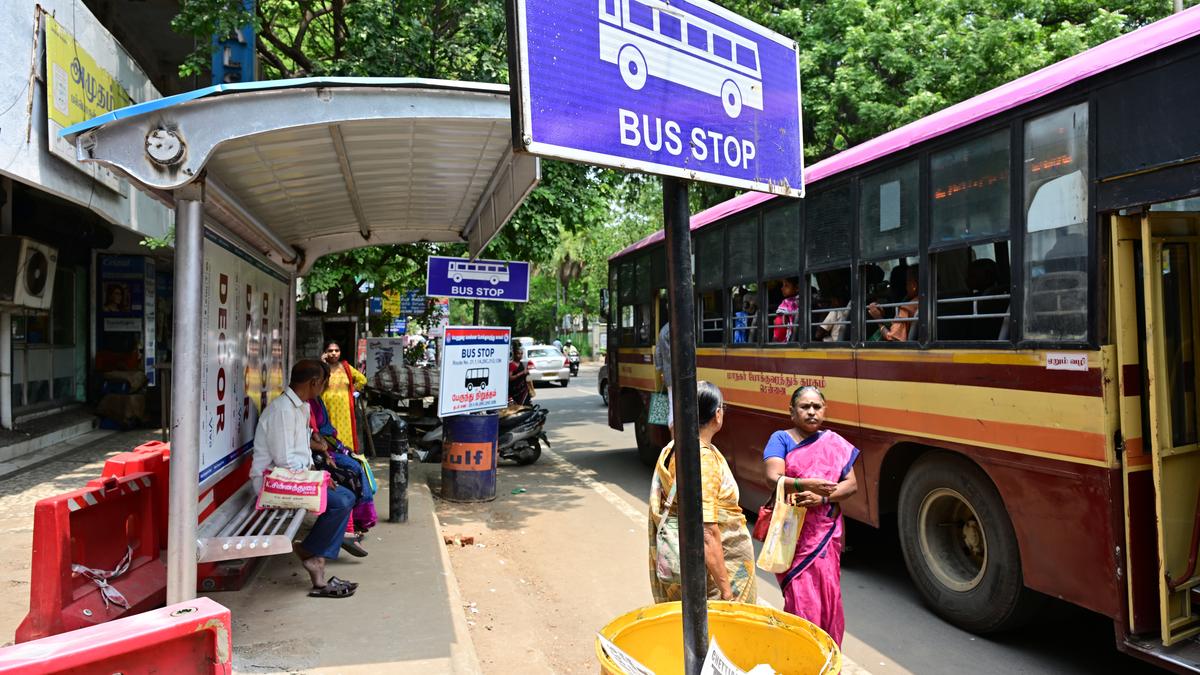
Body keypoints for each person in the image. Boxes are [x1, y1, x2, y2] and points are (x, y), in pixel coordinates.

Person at [251, 359, 358, 598]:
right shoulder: (282, 411)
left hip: (290, 478)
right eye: (322, 384)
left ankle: (313, 555)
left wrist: (318, 472)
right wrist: (315, 481)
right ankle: (313, 557)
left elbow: (300, 450)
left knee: (347, 495)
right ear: (314, 382)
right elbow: (285, 460)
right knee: (339, 502)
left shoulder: (301, 406)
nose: (323, 389)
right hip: (272, 483)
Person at [762, 386, 859, 644]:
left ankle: (826, 658)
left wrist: (823, 497)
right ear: (792, 411)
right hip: (793, 534)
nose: (812, 412)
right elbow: (774, 478)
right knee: (801, 600)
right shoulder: (781, 439)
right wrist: (806, 484)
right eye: (805, 407)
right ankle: (802, 657)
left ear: (825, 410)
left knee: (829, 597)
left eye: (817, 407)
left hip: (826, 533)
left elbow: (851, 484)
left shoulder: (835, 443)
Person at [649, 381, 757, 603]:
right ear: (717, 415)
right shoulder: (702, 458)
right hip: (713, 577)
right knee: (720, 634)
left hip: (695, 569)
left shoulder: (675, 447)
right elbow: (707, 532)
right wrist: (726, 591)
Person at [308, 389, 375, 558]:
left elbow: (316, 435)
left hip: (317, 456)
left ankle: (351, 527)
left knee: (354, 469)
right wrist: (323, 454)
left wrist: (328, 451)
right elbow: (307, 441)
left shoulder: (312, 401)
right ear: (314, 383)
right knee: (347, 477)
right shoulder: (293, 407)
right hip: (304, 467)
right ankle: (343, 533)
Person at [321, 341, 368, 453]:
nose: (333, 353)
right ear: (325, 353)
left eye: (336, 350)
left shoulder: (346, 367)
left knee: (345, 435)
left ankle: (347, 456)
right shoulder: (321, 368)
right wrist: (323, 363)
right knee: (329, 433)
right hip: (327, 407)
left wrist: (353, 390)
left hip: (344, 409)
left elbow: (362, 380)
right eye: (330, 351)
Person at [868, 265, 918, 341]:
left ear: (913, 285)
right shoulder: (925, 301)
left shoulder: (907, 308)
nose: (906, 287)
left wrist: (878, 320)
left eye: (907, 282)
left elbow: (893, 338)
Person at [653, 321, 672, 431]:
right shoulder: (683, 325)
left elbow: (658, 352)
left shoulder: (663, 330)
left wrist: (661, 371)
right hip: (686, 376)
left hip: (669, 375)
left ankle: (674, 442)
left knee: (672, 409)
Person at [772, 278, 801, 342]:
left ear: (797, 288)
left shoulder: (785, 303)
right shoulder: (803, 300)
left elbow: (779, 323)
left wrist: (775, 340)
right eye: (782, 285)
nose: (782, 288)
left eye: (786, 286)